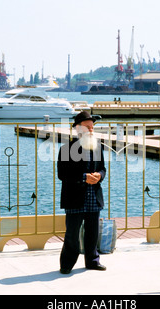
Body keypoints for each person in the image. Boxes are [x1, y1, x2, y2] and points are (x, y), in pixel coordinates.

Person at [57, 111, 107, 274]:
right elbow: (62, 174)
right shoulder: (66, 149)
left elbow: (103, 169)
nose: (91, 130)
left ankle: (92, 261)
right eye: (87, 127)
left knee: (93, 232)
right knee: (72, 233)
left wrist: (99, 176)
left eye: (92, 127)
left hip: (93, 196)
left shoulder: (98, 147)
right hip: (74, 197)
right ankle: (67, 264)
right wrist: (84, 177)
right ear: (78, 129)